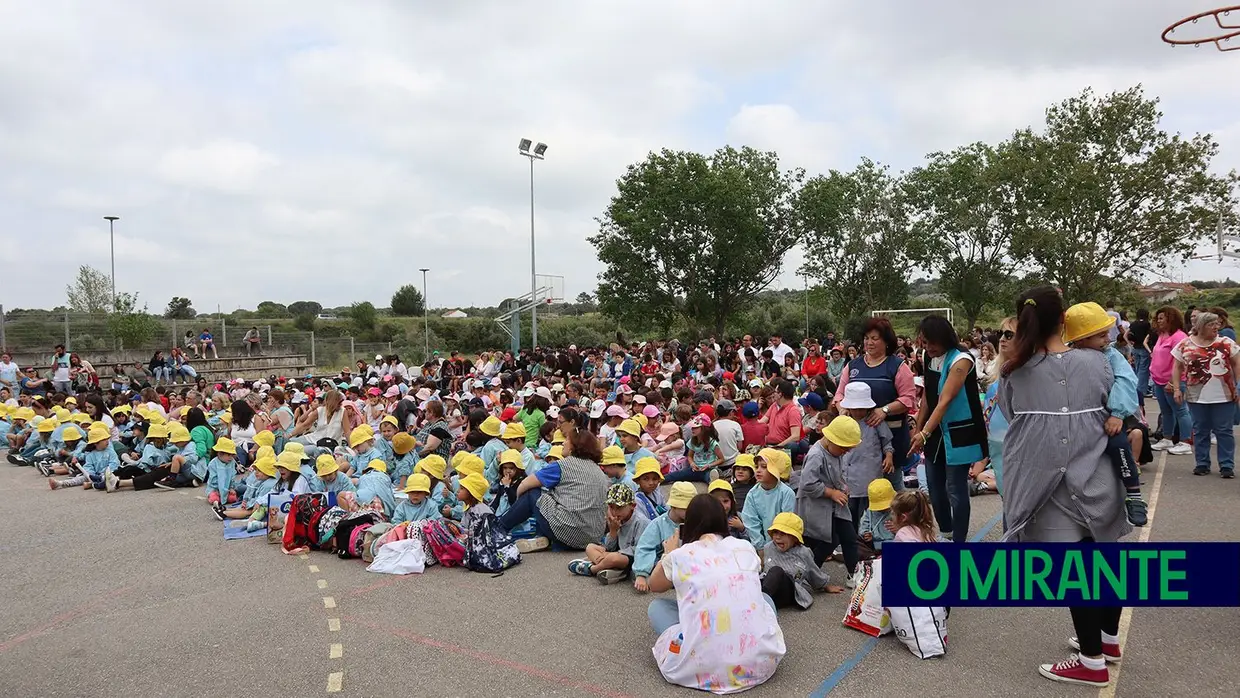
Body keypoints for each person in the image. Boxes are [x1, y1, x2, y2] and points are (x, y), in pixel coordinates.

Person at [999, 285, 1130, 687]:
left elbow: (1010, 413)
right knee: (1104, 562)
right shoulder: (1098, 362)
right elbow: (1118, 405)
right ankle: (1107, 641)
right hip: (1098, 479)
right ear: (1064, 320)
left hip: (1048, 488)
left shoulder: (1014, 368)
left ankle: (1091, 662)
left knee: (1076, 573)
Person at [645, 493, 785, 694]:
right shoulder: (744, 546)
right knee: (765, 599)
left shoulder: (681, 555)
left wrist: (668, 553)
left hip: (701, 666)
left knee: (657, 607)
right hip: (760, 663)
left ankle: (697, 643)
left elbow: (654, 585)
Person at [1064, 302, 1148, 524]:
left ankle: (1134, 494)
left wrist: (1117, 414)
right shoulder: (1067, 354)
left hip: (1107, 418)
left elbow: (1127, 380)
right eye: (1100, 335)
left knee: (1119, 447)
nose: (1107, 339)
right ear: (1081, 339)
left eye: (1106, 333)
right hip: (1075, 418)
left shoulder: (1111, 355)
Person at [909, 314, 986, 543]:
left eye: (932, 342)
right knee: (934, 486)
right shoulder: (927, 357)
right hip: (936, 431)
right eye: (924, 342)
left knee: (955, 488)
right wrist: (918, 427)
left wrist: (924, 433)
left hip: (960, 430)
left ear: (945, 338)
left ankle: (959, 541)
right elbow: (929, 398)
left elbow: (945, 400)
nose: (928, 347)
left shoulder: (961, 359)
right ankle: (947, 530)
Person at [830, 317, 916, 491]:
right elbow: (839, 394)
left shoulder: (898, 366)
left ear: (886, 341)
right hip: (857, 437)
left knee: (890, 487)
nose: (869, 342)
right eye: (866, 338)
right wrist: (842, 409)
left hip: (891, 434)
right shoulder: (853, 366)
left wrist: (884, 410)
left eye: (875, 338)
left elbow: (908, 398)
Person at [496, 430, 609, 553]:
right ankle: (544, 537)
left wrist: (518, 503)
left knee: (533, 493)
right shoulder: (598, 470)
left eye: (567, 440)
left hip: (570, 530)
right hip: (592, 537)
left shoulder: (562, 465)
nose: (563, 443)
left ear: (574, 446)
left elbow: (524, 485)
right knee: (549, 498)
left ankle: (497, 529)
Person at [1171, 311, 1240, 478]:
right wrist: (1176, 388)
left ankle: (1226, 465)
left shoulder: (1226, 343)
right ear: (1200, 327)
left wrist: (1238, 386)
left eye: (1217, 324)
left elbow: (1237, 363)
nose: (1216, 327)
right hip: (1196, 396)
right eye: (1211, 324)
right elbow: (1177, 367)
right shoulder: (1185, 344)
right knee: (1200, 430)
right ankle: (1202, 463)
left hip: (1224, 395)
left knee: (1224, 431)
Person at [796, 416, 861, 584]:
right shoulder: (816, 455)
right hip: (818, 506)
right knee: (828, 540)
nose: (845, 452)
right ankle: (810, 573)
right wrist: (831, 492)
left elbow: (838, 473)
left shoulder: (835, 452)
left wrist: (843, 487)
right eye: (843, 449)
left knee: (849, 536)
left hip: (835, 505)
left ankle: (853, 573)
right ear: (831, 440)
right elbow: (807, 484)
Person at [568, 483, 650, 585]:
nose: (615, 512)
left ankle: (592, 569)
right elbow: (608, 547)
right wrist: (613, 531)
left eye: (619, 507)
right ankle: (613, 570)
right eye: (611, 507)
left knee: (613, 558)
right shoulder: (617, 519)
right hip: (616, 554)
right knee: (590, 547)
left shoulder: (640, 522)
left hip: (633, 558)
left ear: (632, 506)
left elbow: (640, 550)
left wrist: (614, 554)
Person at [762, 512, 842, 610]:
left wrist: (825, 586)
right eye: (775, 533)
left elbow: (813, 571)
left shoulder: (803, 552)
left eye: (783, 534)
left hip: (789, 591)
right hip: (769, 588)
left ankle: (761, 601)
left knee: (776, 571)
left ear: (795, 538)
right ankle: (758, 599)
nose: (778, 537)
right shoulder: (768, 547)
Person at [1149, 306, 1193, 455]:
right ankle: (1167, 438)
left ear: (1171, 318)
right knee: (1166, 411)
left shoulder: (1179, 337)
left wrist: (1172, 382)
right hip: (1157, 380)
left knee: (1180, 411)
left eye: (1162, 318)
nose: (1158, 321)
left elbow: (1180, 363)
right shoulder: (1162, 335)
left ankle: (1185, 441)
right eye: (1158, 318)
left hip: (1172, 381)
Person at [740, 448, 795, 549]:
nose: (758, 470)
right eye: (757, 467)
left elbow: (788, 523)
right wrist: (760, 547)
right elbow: (750, 522)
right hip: (759, 545)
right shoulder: (752, 494)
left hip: (783, 545)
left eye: (764, 467)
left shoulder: (786, 493)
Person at [856, 478, 895, 558]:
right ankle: (871, 556)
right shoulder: (869, 511)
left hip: (891, 543)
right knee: (853, 541)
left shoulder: (898, 510)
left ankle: (881, 556)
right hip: (873, 543)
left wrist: (898, 529)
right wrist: (865, 534)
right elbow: (863, 525)